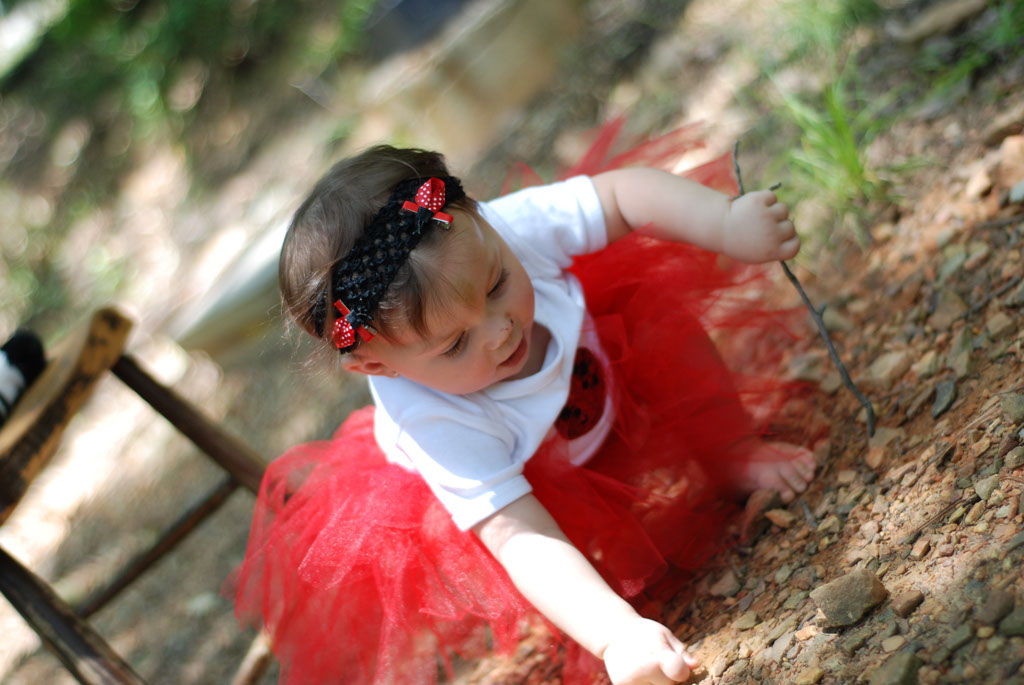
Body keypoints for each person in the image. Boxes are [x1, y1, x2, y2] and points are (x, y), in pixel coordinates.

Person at [231, 129, 818, 685]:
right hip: (530, 468)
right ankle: (599, 603)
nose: (500, 329)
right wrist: (616, 636)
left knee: (658, 323)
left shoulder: (506, 231)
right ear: (378, 366)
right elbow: (520, 535)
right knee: (568, 555)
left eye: (496, 286)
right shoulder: (433, 419)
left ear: (481, 217)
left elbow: (621, 195)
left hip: (596, 365)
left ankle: (730, 451)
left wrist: (725, 222)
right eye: (456, 343)